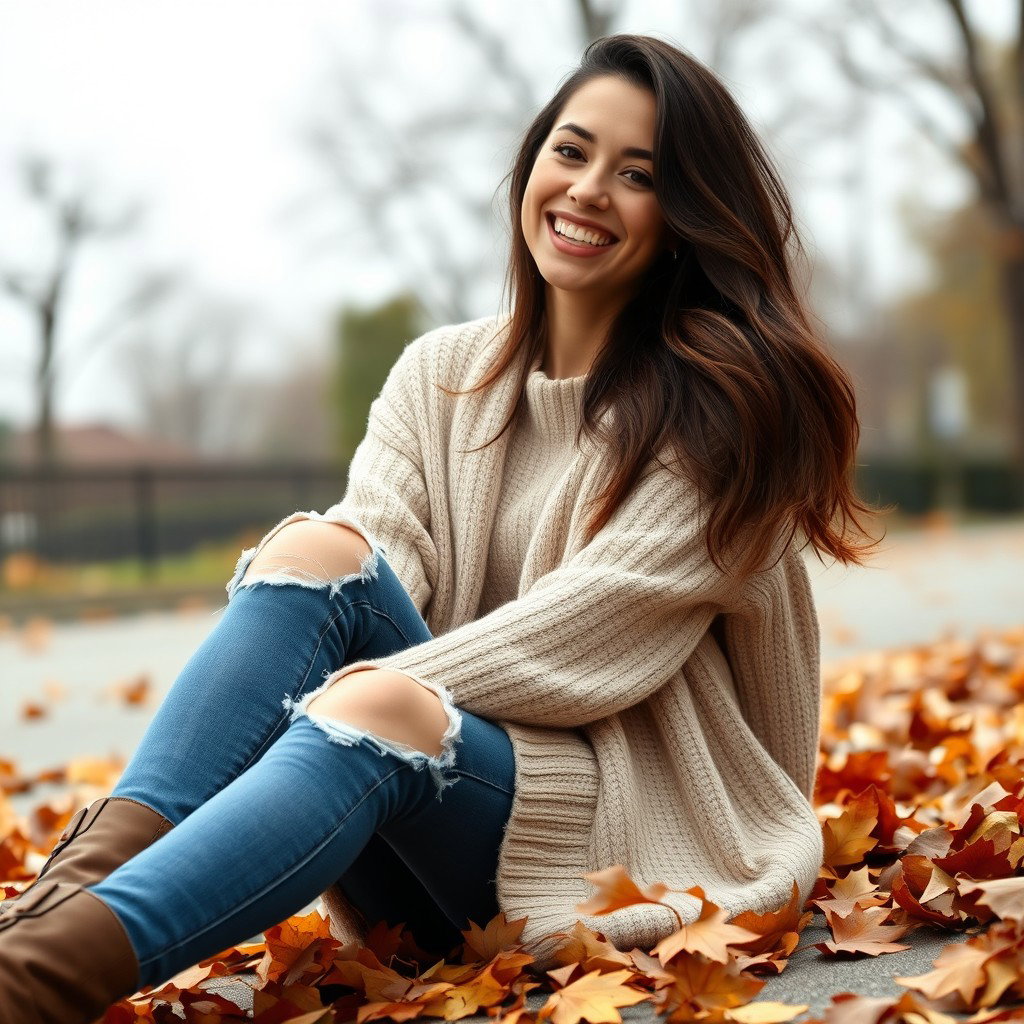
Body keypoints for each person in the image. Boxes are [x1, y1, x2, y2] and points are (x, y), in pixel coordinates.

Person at [0, 32, 885, 1021]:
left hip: (614, 858)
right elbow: (372, 570)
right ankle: (38, 928)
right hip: (410, 835)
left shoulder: (722, 417)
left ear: (680, 218)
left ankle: (28, 984)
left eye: (636, 173)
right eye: (571, 149)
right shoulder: (439, 375)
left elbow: (578, 642)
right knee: (315, 551)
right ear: (532, 165)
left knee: (378, 705)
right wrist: (349, 695)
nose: (588, 188)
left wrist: (353, 702)